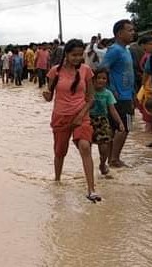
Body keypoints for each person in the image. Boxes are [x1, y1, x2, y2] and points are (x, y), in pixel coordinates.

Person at [42, 39, 100, 202]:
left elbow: (91, 98)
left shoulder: (86, 71)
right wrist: (46, 95)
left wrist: (81, 115)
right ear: (66, 54)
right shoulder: (55, 71)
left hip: (81, 115)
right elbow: (49, 96)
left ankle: (91, 189)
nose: (77, 58)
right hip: (61, 117)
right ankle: (57, 180)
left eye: (80, 54)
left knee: (85, 146)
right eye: (74, 55)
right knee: (60, 152)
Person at [100, 19, 136, 168]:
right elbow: (102, 69)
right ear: (120, 33)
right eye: (130, 30)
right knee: (124, 128)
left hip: (127, 94)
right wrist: (111, 89)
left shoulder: (125, 49)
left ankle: (111, 160)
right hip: (121, 97)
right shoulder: (114, 50)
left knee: (116, 129)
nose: (133, 33)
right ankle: (114, 159)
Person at [89, 67, 125, 175]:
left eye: (104, 78)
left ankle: (102, 163)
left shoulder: (108, 93)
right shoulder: (88, 92)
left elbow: (112, 110)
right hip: (89, 120)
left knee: (104, 147)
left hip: (102, 122)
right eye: (98, 78)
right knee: (87, 145)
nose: (101, 80)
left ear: (107, 81)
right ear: (93, 79)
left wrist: (120, 122)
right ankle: (88, 166)